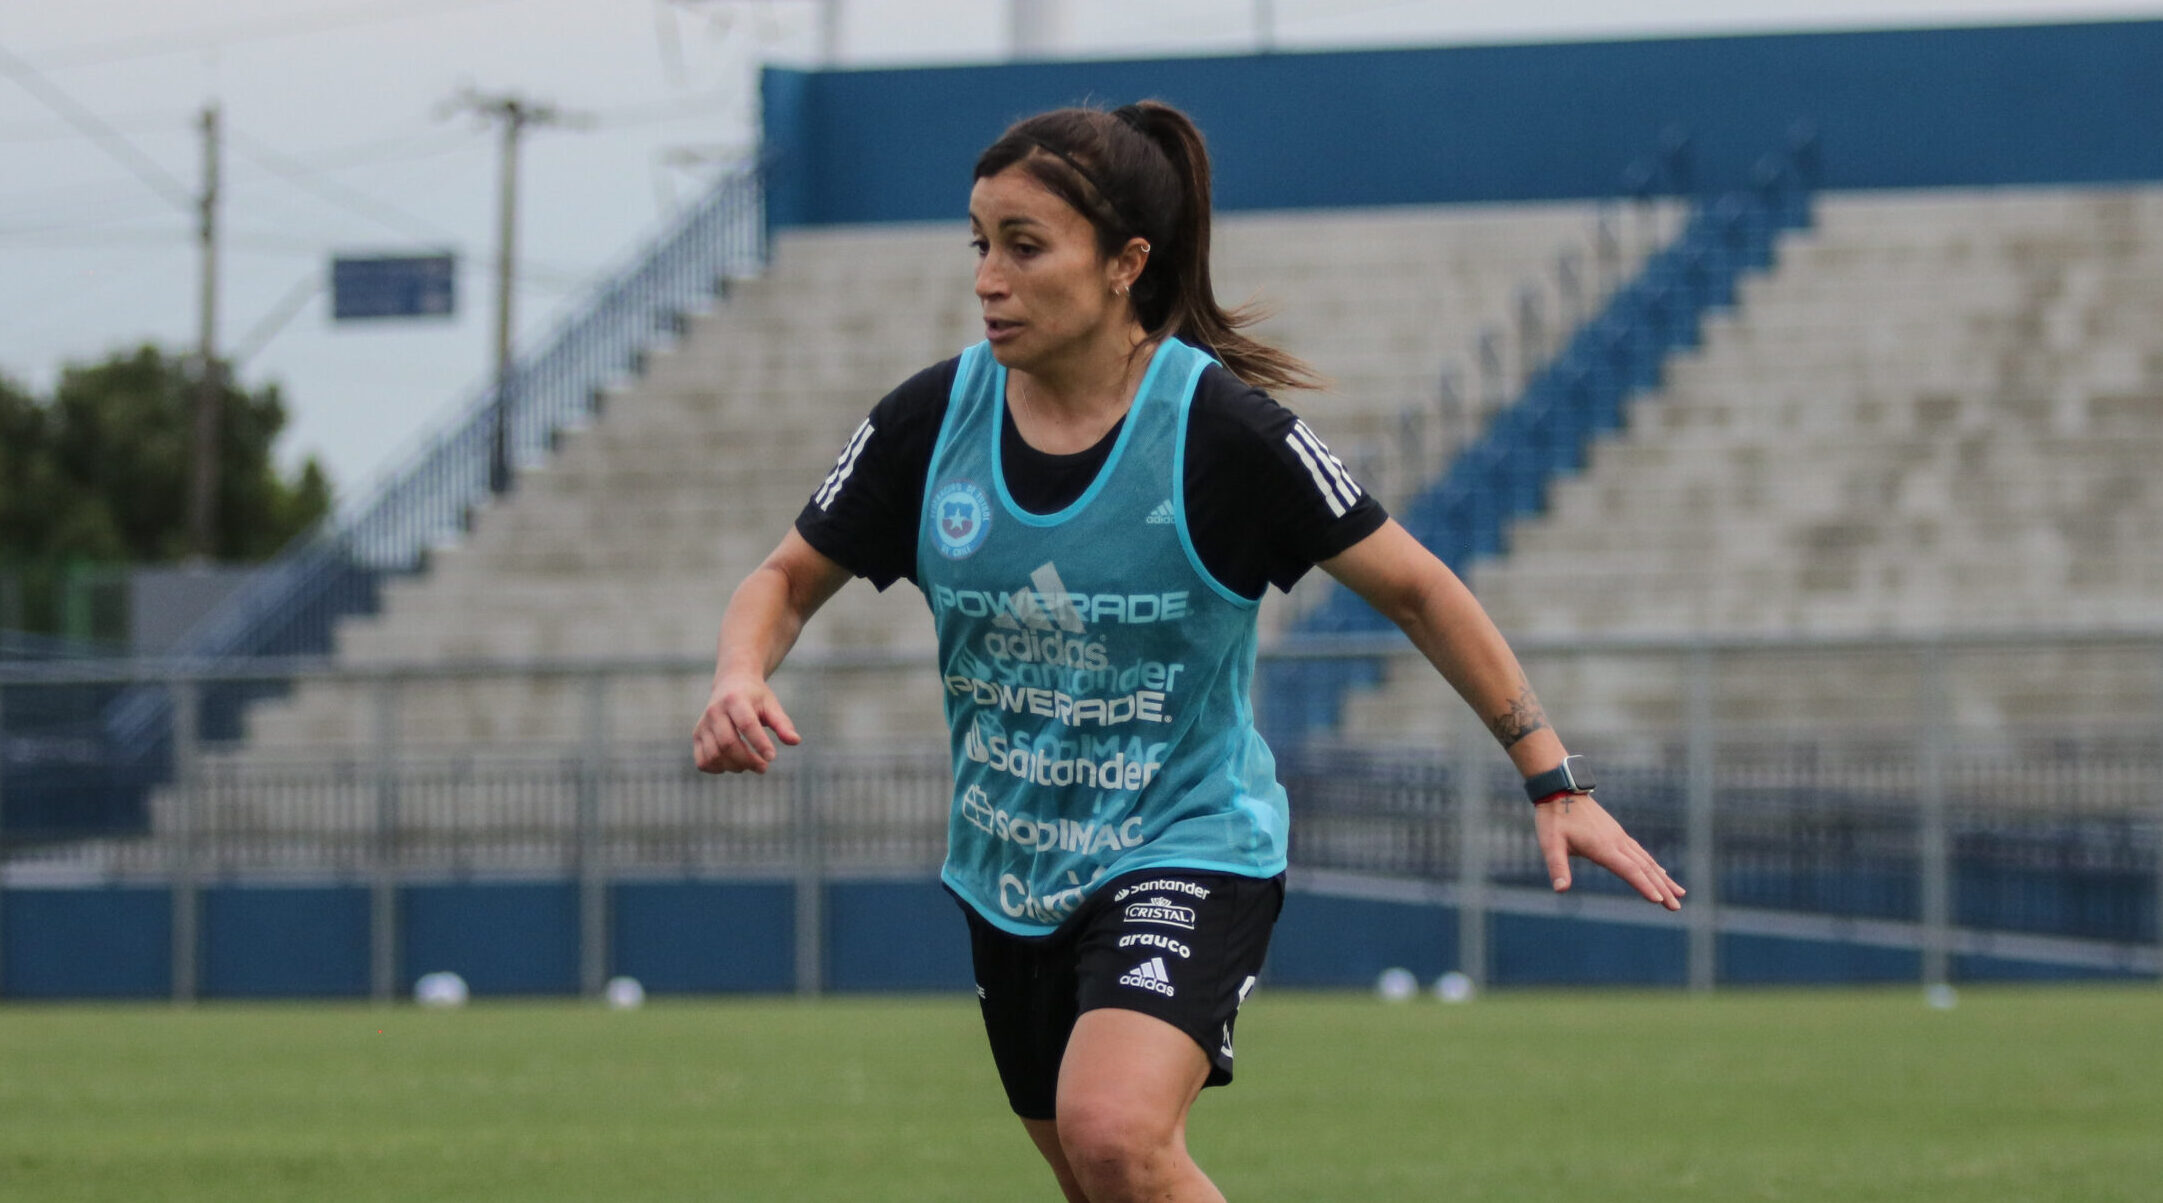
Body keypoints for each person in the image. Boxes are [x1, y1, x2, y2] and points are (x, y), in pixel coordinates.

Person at [694, 100, 1685, 1203]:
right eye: (981, 244)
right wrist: (742, 671)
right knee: (1101, 1179)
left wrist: (1552, 776)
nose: (988, 278)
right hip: (1007, 870)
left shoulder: (1223, 433)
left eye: (1025, 247)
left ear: (1126, 263)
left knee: (1113, 1135)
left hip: (1189, 842)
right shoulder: (930, 422)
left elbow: (1418, 588)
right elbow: (782, 577)